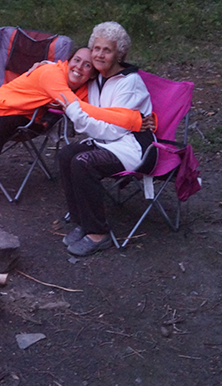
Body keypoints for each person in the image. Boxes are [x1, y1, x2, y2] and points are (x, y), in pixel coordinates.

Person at [0, 47, 146, 210]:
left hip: (25, 115)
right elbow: (78, 106)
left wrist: (135, 118)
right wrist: (132, 120)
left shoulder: (84, 90)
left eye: (87, 65)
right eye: (76, 60)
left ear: (92, 74)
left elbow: (94, 110)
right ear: (67, 62)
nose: (79, 67)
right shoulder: (51, 74)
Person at [57, 21, 155, 256]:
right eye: (97, 48)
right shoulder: (97, 78)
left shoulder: (129, 83)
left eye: (107, 50)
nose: (100, 54)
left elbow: (114, 130)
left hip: (134, 147)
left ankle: (98, 233)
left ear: (119, 53)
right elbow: (65, 71)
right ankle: (83, 221)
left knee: (83, 163)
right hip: (106, 142)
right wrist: (43, 65)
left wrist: (74, 112)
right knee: (66, 154)